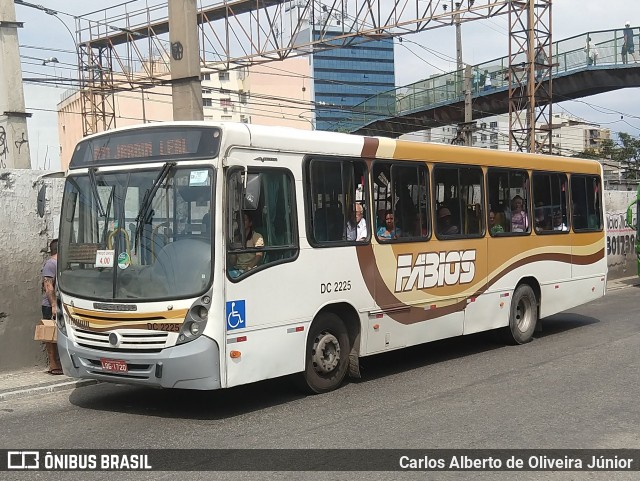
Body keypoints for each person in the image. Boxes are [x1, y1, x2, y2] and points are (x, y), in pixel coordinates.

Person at [41, 239, 62, 375]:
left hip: (60, 305)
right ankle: (53, 364)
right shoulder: (51, 264)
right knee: (50, 334)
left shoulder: (59, 263)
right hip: (50, 306)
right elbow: (48, 286)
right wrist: (54, 305)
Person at [228, 212, 264, 277]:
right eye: (239, 220)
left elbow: (259, 255)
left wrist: (248, 268)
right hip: (237, 270)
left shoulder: (256, 236)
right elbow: (233, 262)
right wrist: (232, 252)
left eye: (244, 219)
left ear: (250, 223)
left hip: (252, 270)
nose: (241, 222)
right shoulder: (236, 238)